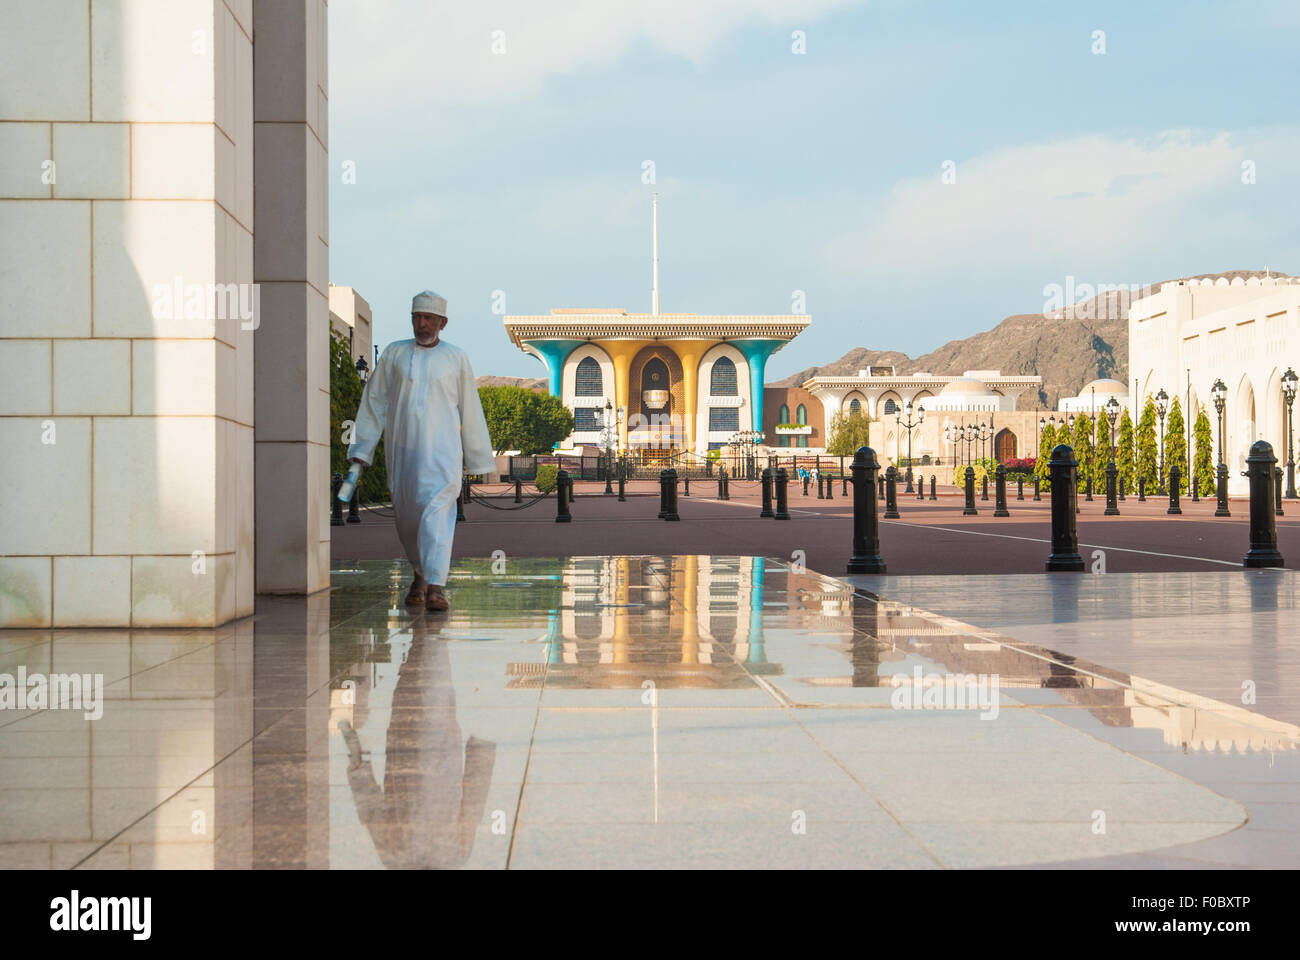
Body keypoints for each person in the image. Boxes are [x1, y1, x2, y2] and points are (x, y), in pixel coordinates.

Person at [348, 290, 496, 611]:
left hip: (443, 453)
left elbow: (470, 408)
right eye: (417, 317)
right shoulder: (394, 354)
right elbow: (374, 402)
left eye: (428, 318)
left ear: (443, 322)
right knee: (409, 520)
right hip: (403, 453)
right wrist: (362, 446)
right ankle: (420, 575)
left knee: (438, 515)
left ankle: (437, 586)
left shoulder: (457, 358)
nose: (422, 323)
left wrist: (476, 456)